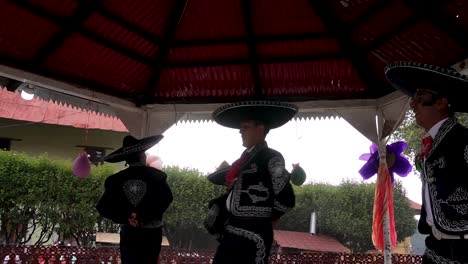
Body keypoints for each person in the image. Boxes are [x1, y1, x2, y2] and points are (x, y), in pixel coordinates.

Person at [385, 62, 468, 263]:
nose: (413, 105)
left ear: (441, 103)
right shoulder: (432, 144)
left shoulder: (463, 139)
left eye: (420, 99)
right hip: (436, 245)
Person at [206, 101, 297, 264]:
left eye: (245, 126)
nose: (240, 131)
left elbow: (286, 199)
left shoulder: (272, 157)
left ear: (260, 128)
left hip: (253, 236)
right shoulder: (242, 160)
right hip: (230, 233)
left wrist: (266, 218)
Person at [96, 135, 173, 264]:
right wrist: (144, 217)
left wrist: (127, 217)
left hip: (129, 233)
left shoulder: (114, 180)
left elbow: (102, 207)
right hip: (151, 234)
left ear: (126, 159)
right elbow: (166, 199)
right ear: (142, 155)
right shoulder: (158, 176)